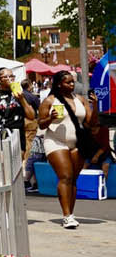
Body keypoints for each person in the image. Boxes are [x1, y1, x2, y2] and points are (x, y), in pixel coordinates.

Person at [36, 69, 95, 229]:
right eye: (68, 82)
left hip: (77, 143)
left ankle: (71, 213)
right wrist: (51, 118)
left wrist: (94, 106)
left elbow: (90, 123)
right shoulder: (50, 100)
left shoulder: (81, 99)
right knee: (65, 176)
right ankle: (67, 216)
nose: (71, 84)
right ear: (59, 84)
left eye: (72, 82)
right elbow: (40, 123)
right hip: (55, 141)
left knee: (73, 179)